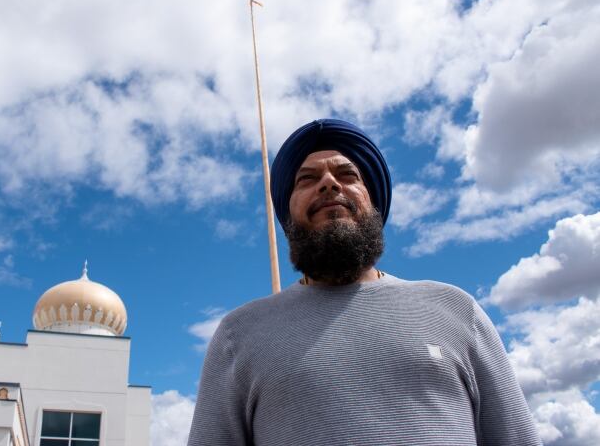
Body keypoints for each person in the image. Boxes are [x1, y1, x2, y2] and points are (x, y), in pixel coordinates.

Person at [187, 119, 541, 445]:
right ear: (287, 214)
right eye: (306, 179)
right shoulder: (239, 335)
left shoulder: (457, 310)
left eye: (347, 174)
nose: (328, 182)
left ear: (373, 202)